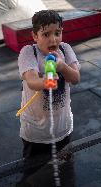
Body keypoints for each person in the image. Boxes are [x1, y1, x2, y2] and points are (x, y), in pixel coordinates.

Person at [17, 10, 81, 160]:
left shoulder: (65, 49)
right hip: (36, 132)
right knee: (34, 174)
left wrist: (62, 67)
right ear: (34, 36)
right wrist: (46, 81)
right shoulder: (29, 52)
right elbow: (32, 81)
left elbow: (76, 78)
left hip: (63, 127)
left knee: (64, 168)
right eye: (46, 34)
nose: (53, 39)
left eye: (57, 33)